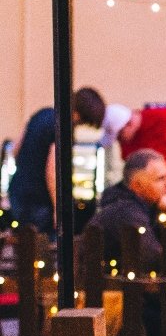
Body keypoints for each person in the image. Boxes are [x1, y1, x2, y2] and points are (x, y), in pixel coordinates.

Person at [85, 149, 166, 336]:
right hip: (112, 304)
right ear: (137, 185)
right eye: (160, 178)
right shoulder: (127, 212)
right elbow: (155, 258)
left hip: (124, 296)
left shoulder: (136, 208)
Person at [8, 87, 106, 233]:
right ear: (81, 114)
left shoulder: (41, 114)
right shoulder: (63, 127)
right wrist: (58, 209)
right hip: (39, 199)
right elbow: (53, 170)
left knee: (25, 243)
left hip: (18, 191)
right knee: (44, 248)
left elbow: (16, 149)